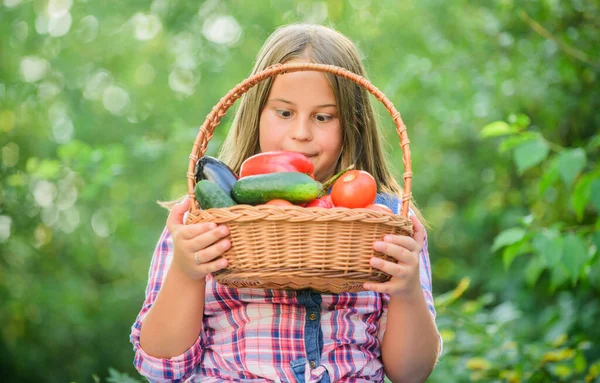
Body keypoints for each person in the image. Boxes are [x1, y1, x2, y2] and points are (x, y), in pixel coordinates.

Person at [130, 23, 441, 383]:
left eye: (323, 117)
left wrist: (406, 291)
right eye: (284, 113)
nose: (301, 133)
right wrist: (187, 272)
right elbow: (161, 366)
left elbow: (411, 373)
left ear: (352, 124)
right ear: (255, 112)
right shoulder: (201, 221)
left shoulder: (387, 221)